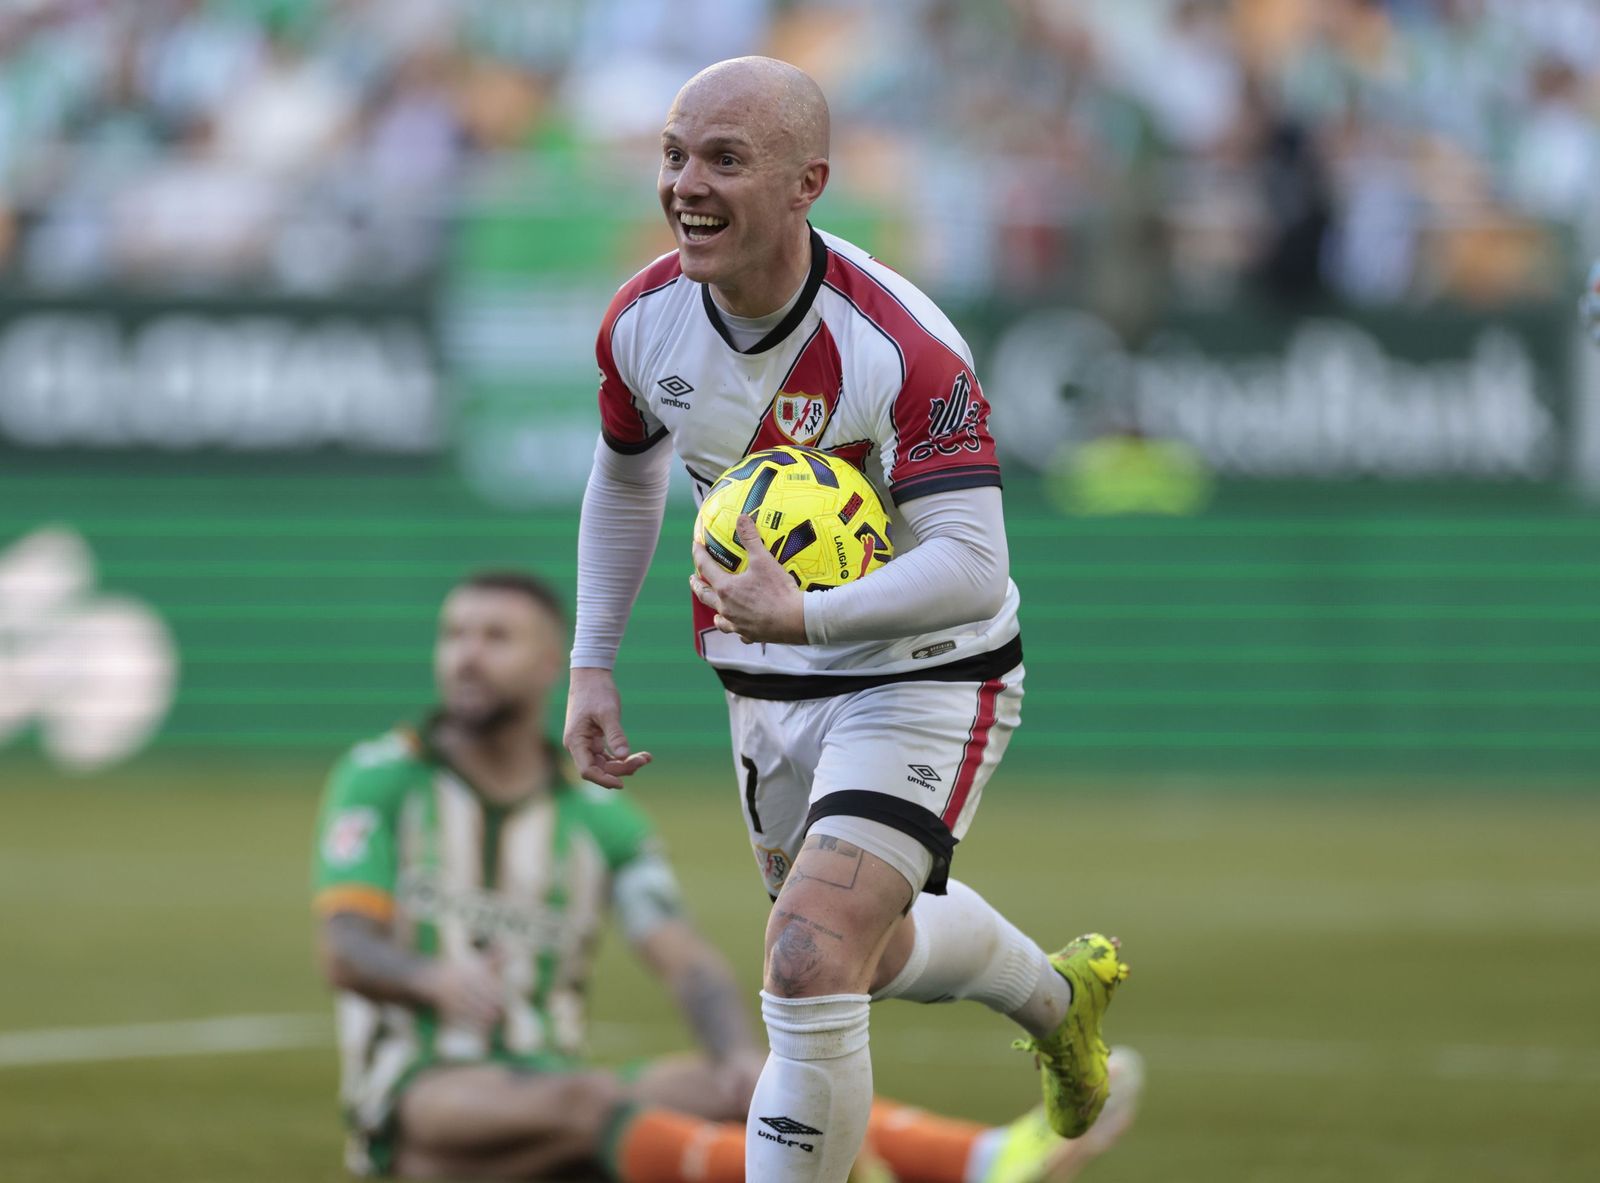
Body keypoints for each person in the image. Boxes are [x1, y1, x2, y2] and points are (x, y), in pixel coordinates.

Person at [563, 57, 1129, 1183]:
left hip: (927, 668)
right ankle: (1056, 1000)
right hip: (765, 675)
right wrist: (590, 662)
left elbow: (971, 566)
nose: (686, 184)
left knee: (808, 953)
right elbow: (626, 478)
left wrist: (810, 612)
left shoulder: (902, 347)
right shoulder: (642, 321)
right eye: (675, 155)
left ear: (807, 182)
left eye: (725, 159)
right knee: (853, 955)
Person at [312, 571, 1143, 1182]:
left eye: (494, 638)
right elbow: (344, 944)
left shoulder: (598, 817)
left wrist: (738, 1064)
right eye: (455, 635)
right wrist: (429, 976)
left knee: (734, 1083)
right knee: (593, 1108)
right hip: (421, 1100)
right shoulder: (384, 778)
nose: (465, 656)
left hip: (554, 1076)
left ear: (544, 665)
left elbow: (685, 958)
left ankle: (983, 1159)